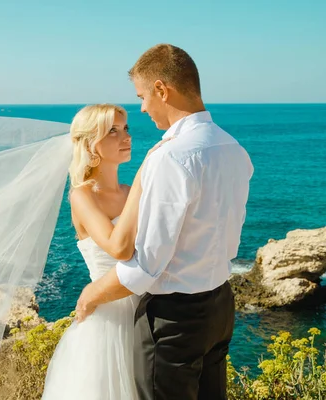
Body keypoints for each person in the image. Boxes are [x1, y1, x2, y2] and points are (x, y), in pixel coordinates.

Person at [73, 44, 253, 400]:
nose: (142, 108)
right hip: (220, 305)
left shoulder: (170, 156)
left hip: (174, 319)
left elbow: (146, 266)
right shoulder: (233, 148)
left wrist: (92, 292)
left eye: (142, 97)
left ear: (161, 89)